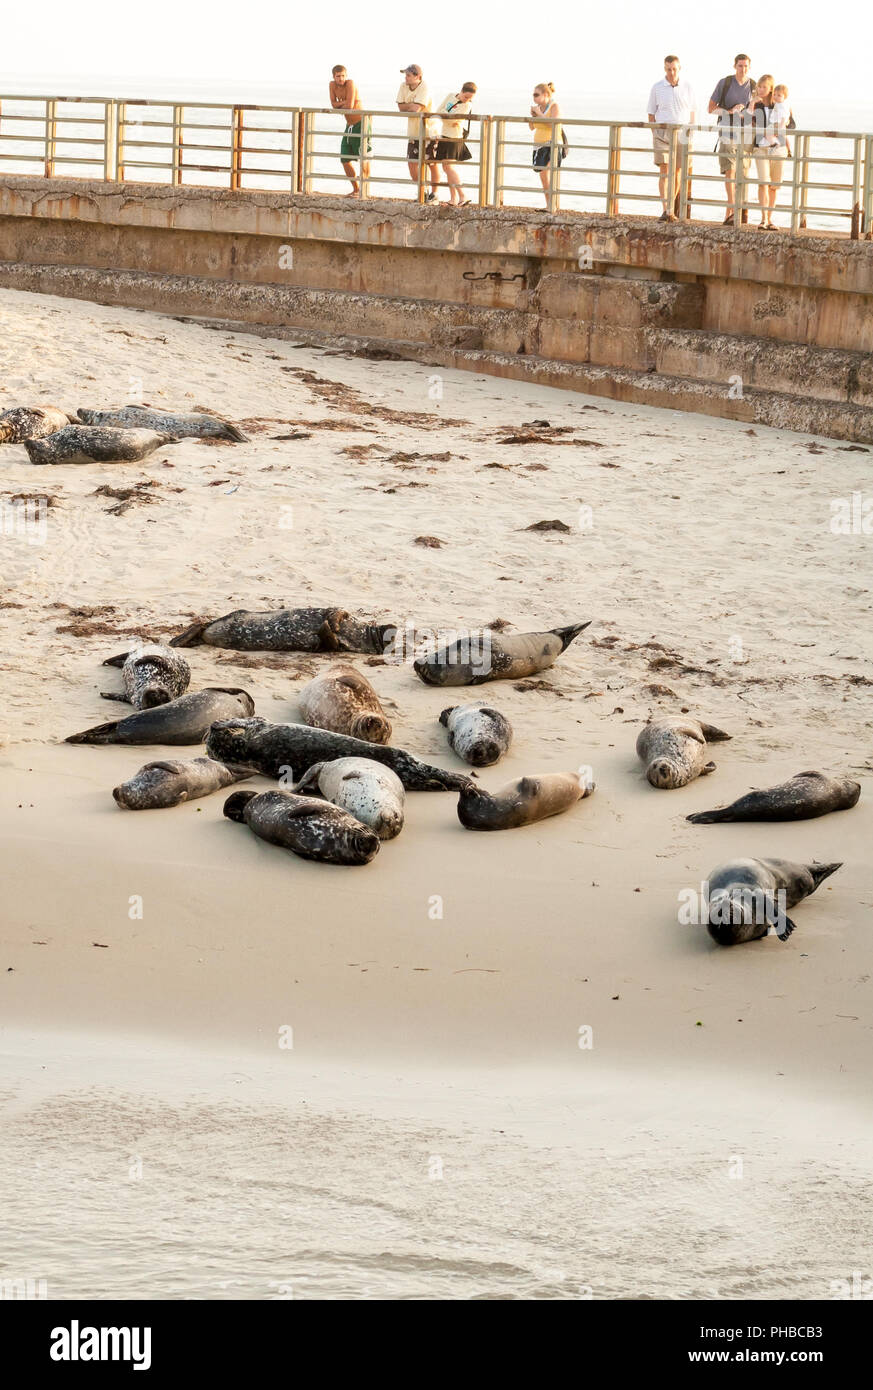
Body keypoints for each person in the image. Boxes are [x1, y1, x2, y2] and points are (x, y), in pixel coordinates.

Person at [646, 54, 696, 221]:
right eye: (668, 69)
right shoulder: (657, 87)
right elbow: (651, 112)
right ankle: (666, 209)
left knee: (678, 171)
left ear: (679, 68)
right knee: (664, 170)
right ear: (665, 69)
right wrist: (655, 133)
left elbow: (692, 112)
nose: (672, 72)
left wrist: (691, 132)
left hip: (682, 134)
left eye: (674, 69)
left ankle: (670, 209)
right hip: (663, 132)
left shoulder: (688, 86)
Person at [708, 53, 755, 226]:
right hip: (727, 132)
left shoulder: (755, 87)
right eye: (740, 65)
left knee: (743, 174)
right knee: (730, 172)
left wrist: (748, 112)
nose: (743, 69)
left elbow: (761, 113)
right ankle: (733, 209)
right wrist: (731, 111)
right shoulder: (725, 83)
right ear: (734, 66)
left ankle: (733, 214)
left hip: (747, 134)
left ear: (750, 67)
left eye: (746, 66)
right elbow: (711, 109)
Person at [396, 63, 439, 201]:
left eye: (408, 75)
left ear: (418, 76)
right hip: (413, 132)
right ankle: (423, 191)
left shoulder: (424, 87)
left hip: (429, 131)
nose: (406, 78)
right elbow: (401, 108)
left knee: (431, 163)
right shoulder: (403, 86)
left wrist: (409, 106)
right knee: (412, 163)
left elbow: (416, 109)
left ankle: (433, 193)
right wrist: (410, 105)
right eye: (406, 75)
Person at [753, 82, 792, 229]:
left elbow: (792, 124)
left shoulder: (782, 105)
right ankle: (763, 219)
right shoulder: (757, 105)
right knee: (763, 182)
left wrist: (784, 123)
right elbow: (753, 123)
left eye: (765, 87)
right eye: (759, 87)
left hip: (779, 147)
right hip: (761, 147)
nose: (761, 90)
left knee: (774, 186)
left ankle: (769, 219)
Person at [329, 65, 371, 196]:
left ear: (346, 76)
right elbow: (332, 104)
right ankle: (356, 188)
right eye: (338, 76)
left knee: (364, 156)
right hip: (349, 125)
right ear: (333, 77)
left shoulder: (350, 84)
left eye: (342, 76)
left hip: (361, 123)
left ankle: (364, 190)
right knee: (344, 157)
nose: (341, 79)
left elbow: (350, 106)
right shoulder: (332, 85)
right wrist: (342, 104)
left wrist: (340, 104)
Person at [434, 83, 477, 206]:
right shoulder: (451, 96)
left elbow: (453, 119)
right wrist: (448, 117)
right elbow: (438, 112)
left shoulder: (467, 105)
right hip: (444, 134)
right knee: (446, 168)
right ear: (461, 91)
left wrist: (447, 116)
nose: (467, 100)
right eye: (465, 97)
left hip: (454, 136)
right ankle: (453, 199)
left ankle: (462, 195)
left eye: (470, 98)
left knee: (449, 168)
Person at [529, 82, 563, 205]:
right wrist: (533, 116)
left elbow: (553, 124)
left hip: (552, 143)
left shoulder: (554, 106)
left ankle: (553, 205)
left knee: (550, 173)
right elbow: (532, 127)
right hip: (539, 144)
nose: (534, 97)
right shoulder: (538, 108)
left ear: (545, 94)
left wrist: (539, 114)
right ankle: (549, 203)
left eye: (536, 95)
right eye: (533, 95)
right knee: (543, 176)